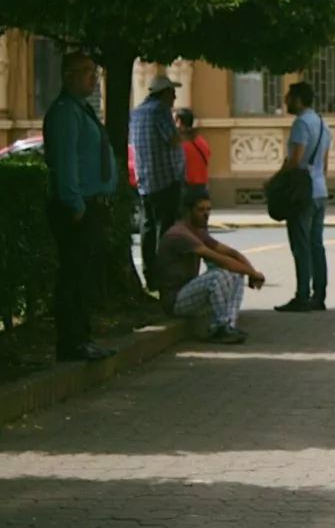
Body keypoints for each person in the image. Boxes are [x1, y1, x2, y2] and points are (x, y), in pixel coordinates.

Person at [42, 52, 118, 362]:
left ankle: (82, 338)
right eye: (86, 72)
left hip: (91, 204)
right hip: (77, 207)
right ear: (68, 75)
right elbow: (65, 161)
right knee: (73, 275)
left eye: (95, 72)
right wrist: (74, 204)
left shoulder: (81, 109)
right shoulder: (65, 113)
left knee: (84, 275)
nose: (93, 78)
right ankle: (72, 342)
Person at [158, 186, 266, 344]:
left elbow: (232, 254)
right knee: (220, 273)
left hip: (189, 292)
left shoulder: (198, 232)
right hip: (175, 300)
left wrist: (251, 272)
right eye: (201, 209)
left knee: (235, 273)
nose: (206, 214)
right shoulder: (179, 234)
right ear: (188, 211)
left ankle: (228, 325)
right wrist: (253, 274)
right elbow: (218, 258)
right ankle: (220, 326)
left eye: (209, 209)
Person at [275, 82, 331, 313]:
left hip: (302, 194)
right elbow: (325, 164)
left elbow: (295, 161)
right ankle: (319, 295)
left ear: (298, 99)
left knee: (301, 245)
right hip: (320, 189)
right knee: (316, 244)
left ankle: (302, 296)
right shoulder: (323, 124)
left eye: (289, 96)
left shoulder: (300, 124)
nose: (286, 100)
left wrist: (276, 180)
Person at [130, 74, 185, 292]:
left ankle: (150, 275)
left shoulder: (137, 113)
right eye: (172, 92)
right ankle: (165, 277)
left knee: (148, 227)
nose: (175, 97)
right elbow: (172, 140)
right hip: (165, 179)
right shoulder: (160, 111)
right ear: (163, 93)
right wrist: (184, 134)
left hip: (145, 179)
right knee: (166, 230)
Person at [175, 108, 210, 189]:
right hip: (202, 187)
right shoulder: (202, 141)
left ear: (179, 122)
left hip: (186, 188)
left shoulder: (179, 144)